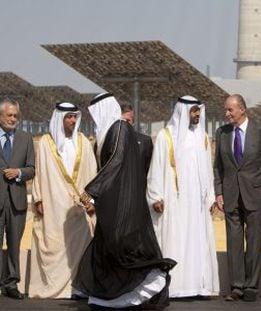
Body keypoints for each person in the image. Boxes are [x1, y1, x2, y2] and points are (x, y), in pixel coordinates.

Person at [73, 93, 175, 310]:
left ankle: (145, 290)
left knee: (121, 249)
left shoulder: (119, 128)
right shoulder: (110, 131)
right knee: (108, 248)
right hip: (111, 202)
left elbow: (115, 162)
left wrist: (92, 190)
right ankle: (107, 299)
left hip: (121, 203)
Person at [147, 95, 219, 298]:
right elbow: (156, 169)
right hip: (174, 201)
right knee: (175, 239)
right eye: (193, 111)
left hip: (196, 203)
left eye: (198, 111)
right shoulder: (165, 136)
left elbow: (208, 169)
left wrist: (210, 196)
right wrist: (155, 197)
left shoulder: (203, 137)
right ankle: (176, 286)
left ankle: (198, 286)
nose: (197, 115)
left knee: (197, 240)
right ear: (183, 111)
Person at [29, 102, 97, 299]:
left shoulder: (84, 141)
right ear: (60, 118)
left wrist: (91, 200)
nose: (72, 121)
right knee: (53, 242)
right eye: (68, 117)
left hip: (79, 206)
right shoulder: (44, 143)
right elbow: (38, 172)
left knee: (80, 245)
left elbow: (92, 173)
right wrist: (38, 198)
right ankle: (54, 287)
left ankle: (79, 287)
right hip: (53, 202)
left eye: (75, 117)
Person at [213, 94, 261, 302]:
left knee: (254, 242)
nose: (226, 114)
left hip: (255, 195)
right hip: (230, 196)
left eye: (230, 110)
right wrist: (218, 192)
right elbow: (218, 166)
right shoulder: (221, 133)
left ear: (242, 109)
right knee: (234, 243)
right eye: (226, 110)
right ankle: (236, 286)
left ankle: (251, 287)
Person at [0, 98, 35, 299]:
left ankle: (11, 283)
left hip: (17, 201)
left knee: (14, 243)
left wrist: (19, 172)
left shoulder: (26, 138)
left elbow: (32, 168)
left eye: (16, 116)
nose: (13, 119)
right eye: (9, 115)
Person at [120, 104, 153, 175]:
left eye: (128, 120)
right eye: (121, 121)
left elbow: (149, 169)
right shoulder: (110, 140)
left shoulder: (145, 142)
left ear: (133, 122)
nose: (124, 124)